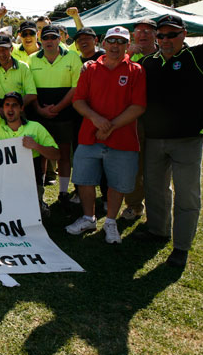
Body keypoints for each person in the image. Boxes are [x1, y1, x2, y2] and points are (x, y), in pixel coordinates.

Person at [137, 14, 203, 267]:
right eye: (161, 35)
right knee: (155, 189)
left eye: (172, 35)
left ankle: (181, 247)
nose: (166, 40)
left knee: (187, 195)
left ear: (184, 34)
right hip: (154, 139)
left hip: (188, 140)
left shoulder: (199, 57)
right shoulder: (148, 62)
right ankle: (158, 230)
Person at [65, 26, 146, 244]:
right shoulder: (90, 69)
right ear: (104, 43)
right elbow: (79, 100)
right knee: (84, 180)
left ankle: (110, 221)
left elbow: (138, 106)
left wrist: (109, 125)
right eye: (112, 41)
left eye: (121, 42)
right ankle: (88, 217)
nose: (115, 46)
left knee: (117, 184)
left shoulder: (136, 70)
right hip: (90, 136)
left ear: (127, 46)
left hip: (122, 139)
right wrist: (96, 120)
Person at [0, 70, 60, 216]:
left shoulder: (35, 127)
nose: (10, 109)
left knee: (30, 216)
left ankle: (39, 203)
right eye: (7, 105)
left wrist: (36, 146)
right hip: (5, 183)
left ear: (21, 108)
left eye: (14, 105)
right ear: (3, 108)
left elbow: (56, 155)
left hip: (30, 183)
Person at [27, 24, 82, 209]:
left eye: (53, 38)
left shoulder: (73, 57)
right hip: (40, 116)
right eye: (45, 38)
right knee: (41, 155)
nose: (49, 42)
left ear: (60, 39)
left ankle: (64, 193)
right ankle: (39, 196)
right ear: (40, 41)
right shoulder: (32, 59)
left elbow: (76, 88)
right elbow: (29, 89)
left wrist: (58, 107)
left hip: (65, 115)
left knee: (64, 154)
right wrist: (40, 110)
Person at [120, 18, 159, 221]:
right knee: (134, 164)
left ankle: (158, 209)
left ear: (155, 35)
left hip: (160, 120)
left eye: (148, 31)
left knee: (159, 167)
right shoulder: (129, 57)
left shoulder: (165, 56)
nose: (143, 34)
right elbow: (112, 71)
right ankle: (135, 205)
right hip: (134, 119)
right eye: (139, 30)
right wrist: (128, 55)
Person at [0, 35, 37, 109]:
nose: (1, 53)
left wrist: (12, 108)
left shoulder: (23, 67)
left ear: (11, 49)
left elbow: (32, 94)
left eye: (4, 49)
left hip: (16, 114)